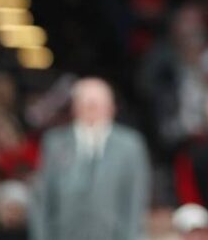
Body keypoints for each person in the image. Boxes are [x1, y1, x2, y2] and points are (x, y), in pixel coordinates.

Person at [29, 77, 151, 240]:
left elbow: (135, 201)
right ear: (75, 108)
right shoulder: (55, 143)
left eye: (97, 105)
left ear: (111, 108)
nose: (92, 110)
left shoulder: (130, 145)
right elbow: (42, 199)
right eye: (86, 104)